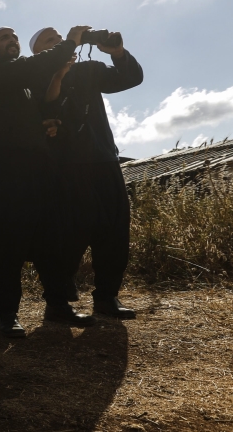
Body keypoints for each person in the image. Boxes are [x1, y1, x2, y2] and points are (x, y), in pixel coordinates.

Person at [0, 26, 97, 339]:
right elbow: (35, 65)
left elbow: (44, 106)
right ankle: (7, 314)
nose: (12, 40)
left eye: (14, 36)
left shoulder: (23, 84)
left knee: (51, 236)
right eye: (3, 38)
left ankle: (57, 305)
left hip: (38, 164)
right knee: (7, 241)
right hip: (4, 165)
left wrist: (49, 119)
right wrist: (71, 41)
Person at [31, 27, 143, 319]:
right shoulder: (33, 76)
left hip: (104, 158)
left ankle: (107, 297)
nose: (59, 42)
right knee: (69, 235)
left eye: (60, 38)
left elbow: (130, 78)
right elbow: (44, 107)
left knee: (115, 230)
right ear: (37, 53)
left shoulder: (89, 70)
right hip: (65, 166)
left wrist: (117, 52)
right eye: (50, 40)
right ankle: (57, 302)